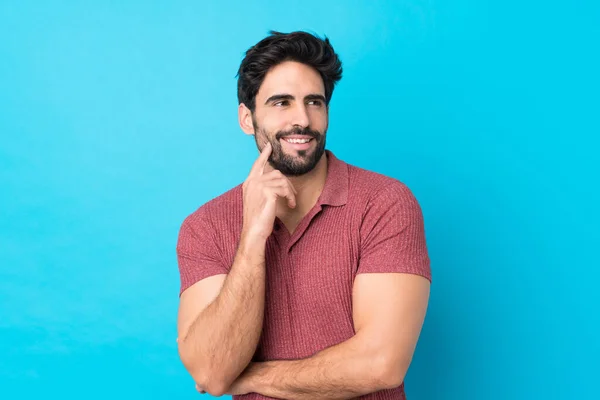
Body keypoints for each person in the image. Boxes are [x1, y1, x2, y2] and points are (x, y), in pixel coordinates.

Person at [175, 30, 432, 400]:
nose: (303, 120)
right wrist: (251, 238)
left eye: (314, 102)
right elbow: (212, 373)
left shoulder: (385, 203)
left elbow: (381, 363)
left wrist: (252, 378)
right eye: (281, 103)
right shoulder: (206, 227)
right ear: (247, 119)